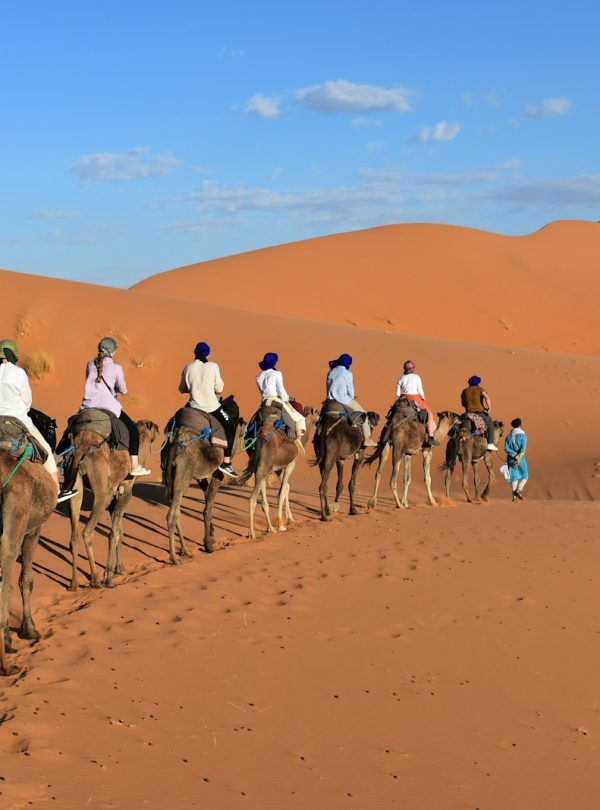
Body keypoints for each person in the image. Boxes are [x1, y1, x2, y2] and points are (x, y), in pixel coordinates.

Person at [0, 339, 77, 502]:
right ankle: (57, 490)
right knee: (46, 450)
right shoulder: (19, 373)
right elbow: (27, 401)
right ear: (13, 354)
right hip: (18, 421)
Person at [81, 337, 150, 476]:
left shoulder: (90, 364)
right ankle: (135, 466)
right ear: (113, 351)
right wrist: (117, 390)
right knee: (134, 432)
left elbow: (91, 382)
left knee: (72, 428)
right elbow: (123, 390)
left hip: (88, 407)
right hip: (108, 407)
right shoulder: (116, 368)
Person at [179, 341, 239, 477]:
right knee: (230, 425)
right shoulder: (213, 366)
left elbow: (182, 388)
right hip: (212, 408)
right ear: (208, 354)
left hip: (193, 406)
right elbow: (219, 388)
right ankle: (227, 463)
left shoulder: (187, 367)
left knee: (174, 422)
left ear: (194, 353)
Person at [256, 352, 306, 454]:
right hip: (276, 401)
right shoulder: (277, 374)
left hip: (264, 403)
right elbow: (281, 390)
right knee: (299, 418)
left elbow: (262, 392)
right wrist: (287, 401)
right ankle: (298, 439)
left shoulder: (259, 376)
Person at [326, 353, 377, 446]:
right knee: (363, 415)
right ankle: (367, 439)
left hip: (329, 400)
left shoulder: (331, 371)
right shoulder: (348, 373)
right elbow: (350, 390)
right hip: (344, 400)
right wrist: (351, 397)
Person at [396, 360, 438, 444]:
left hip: (402, 399)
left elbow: (397, 393)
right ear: (413, 368)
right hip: (415, 399)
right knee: (430, 414)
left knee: (391, 414)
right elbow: (420, 391)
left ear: (404, 368)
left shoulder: (400, 378)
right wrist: (423, 398)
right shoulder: (417, 377)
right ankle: (430, 436)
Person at [460, 375, 498, 451]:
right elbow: (486, 397)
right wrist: (489, 408)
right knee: (490, 424)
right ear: (478, 383)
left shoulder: (464, 391)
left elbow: (463, 404)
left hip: (468, 413)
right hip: (479, 413)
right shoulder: (480, 389)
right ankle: (490, 444)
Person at [504, 418, 528, 501]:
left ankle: (514, 497)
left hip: (510, 459)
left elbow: (506, 448)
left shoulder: (508, 437)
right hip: (520, 459)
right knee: (525, 475)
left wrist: (513, 455)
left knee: (514, 477)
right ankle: (519, 490)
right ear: (520, 425)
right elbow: (523, 449)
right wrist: (518, 458)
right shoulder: (523, 436)